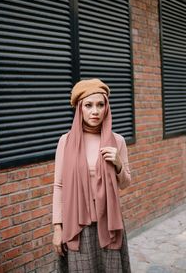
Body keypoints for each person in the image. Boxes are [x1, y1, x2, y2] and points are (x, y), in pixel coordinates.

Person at [52, 78, 131, 272]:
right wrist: (57, 228)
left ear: (107, 107)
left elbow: (125, 183)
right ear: (80, 108)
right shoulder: (66, 141)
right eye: (88, 105)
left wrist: (118, 164)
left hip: (110, 223)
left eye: (100, 105)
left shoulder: (117, 141)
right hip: (78, 225)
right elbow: (59, 186)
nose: (95, 111)